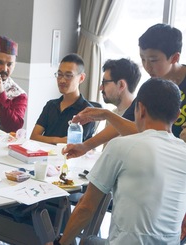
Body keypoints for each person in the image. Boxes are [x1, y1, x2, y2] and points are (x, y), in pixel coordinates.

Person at [54, 78, 186, 245]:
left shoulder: (121, 146)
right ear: (177, 116)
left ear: (140, 109)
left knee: (87, 241)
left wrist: (60, 243)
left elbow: (86, 207)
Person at [63, 23, 186, 159]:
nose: (147, 66)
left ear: (175, 58)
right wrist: (86, 146)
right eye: (143, 59)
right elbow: (129, 125)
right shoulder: (152, 86)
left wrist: (107, 115)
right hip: (159, 159)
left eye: (153, 60)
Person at [30, 53, 95, 144]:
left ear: (81, 78)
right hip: (43, 155)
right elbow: (33, 137)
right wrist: (58, 140)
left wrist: (45, 139)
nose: (62, 80)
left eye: (68, 76)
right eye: (59, 74)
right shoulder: (51, 105)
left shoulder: (87, 112)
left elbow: (75, 145)